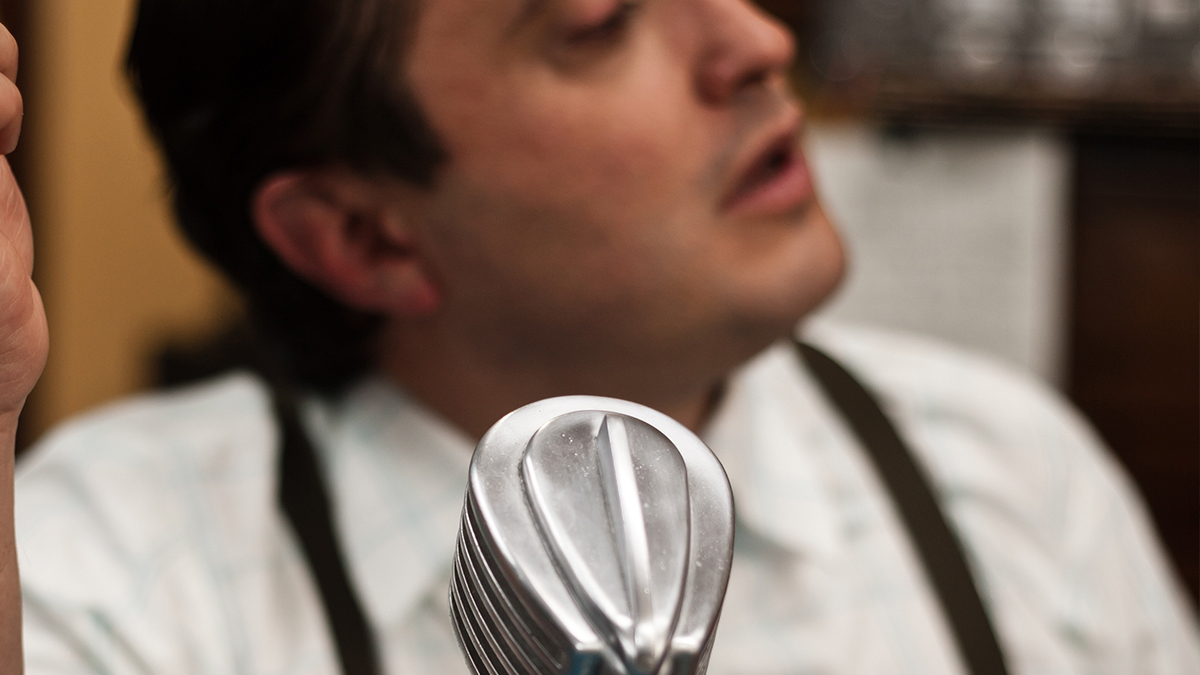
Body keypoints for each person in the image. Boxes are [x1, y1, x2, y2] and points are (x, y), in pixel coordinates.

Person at [1, 0, 1197, 672]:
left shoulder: (1009, 478)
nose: (755, 41)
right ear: (365, 237)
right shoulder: (111, 579)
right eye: (599, 22)